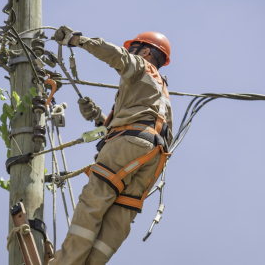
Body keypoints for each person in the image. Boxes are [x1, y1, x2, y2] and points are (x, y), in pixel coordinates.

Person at [50, 25, 174, 265]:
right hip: (153, 159)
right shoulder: (161, 93)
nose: (132, 52)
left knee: (93, 204)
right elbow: (138, 123)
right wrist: (98, 117)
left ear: (146, 52)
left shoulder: (142, 67)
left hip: (128, 147)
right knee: (115, 225)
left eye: (135, 49)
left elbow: (117, 56)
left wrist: (78, 40)